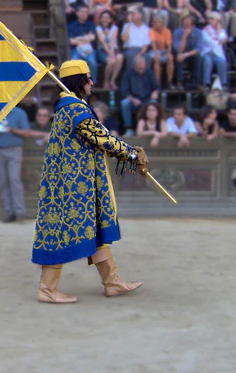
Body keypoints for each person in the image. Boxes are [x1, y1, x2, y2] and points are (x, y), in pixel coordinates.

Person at [32, 59, 146, 304]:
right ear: (79, 80)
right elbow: (101, 137)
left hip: (74, 181)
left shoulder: (69, 107)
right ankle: (47, 289)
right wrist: (132, 154)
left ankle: (112, 282)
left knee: (90, 227)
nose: (92, 82)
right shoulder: (75, 109)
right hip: (74, 184)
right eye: (88, 77)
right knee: (62, 230)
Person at [0, 106, 30, 223]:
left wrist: (12, 130)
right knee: (3, 182)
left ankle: (20, 212)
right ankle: (10, 212)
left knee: (14, 180)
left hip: (15, 149)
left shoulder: (20, 113)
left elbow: (26, 133)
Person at [120, 55, 160, 136]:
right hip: (133, 99)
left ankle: (155, 128)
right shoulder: (128, 74)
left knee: (154, 103)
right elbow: (124, 91)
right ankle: (129, 128)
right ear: (134, 66)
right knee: (125, 103)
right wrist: (133, 99)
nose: (141, 71)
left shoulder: (150, 73)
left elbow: (157, 87)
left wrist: (155, 92)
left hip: (147, 99)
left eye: (142, 68)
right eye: (139, 69)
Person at [67, 4, 97, 82]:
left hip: (89, 50)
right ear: (77, 13)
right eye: (82, 12)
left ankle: (92, 82)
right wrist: (86, 38)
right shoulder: (72, 26)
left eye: (86, 12)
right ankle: (75, 83)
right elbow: (71, 41)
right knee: (74, 61)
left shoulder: (91, 24)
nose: (84, 14)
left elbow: (93, 37)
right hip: (76, 50)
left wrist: (79, 39)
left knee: (92, 62)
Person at [173, 14, 203, 90]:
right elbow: (179, 50)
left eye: (187, 25)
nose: (184, 27)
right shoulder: (177, 32)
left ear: (193, 26)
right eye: (184, 25)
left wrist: (185, 55)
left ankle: (196, 82)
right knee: (179, 56)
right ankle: (179, 81)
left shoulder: (198, 32)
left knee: (198, 57)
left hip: (191, 54)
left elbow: (198, 48)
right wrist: (184, 36)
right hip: (181, 53)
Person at [96, 10, 123, 89]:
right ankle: (106, 81)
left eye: (107, 18)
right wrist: (110, 53)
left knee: (120, 57)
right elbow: (103, 42)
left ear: (111, 19)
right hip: (103, 49)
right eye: (103, 18)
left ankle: (112, 80)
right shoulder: (98, 28)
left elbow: (113, 41)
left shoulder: (114, 28)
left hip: (113, 48)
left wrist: (112, 52)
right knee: (112, 61)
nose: (105, 20)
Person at [201, 11, 228, 89]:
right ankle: (206, 83)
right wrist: (219, 42)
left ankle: (223, 83)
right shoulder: (205, 30)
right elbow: (209, 42)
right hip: (207, 52)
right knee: (208, 61)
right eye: (210, 19)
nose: (210, 20)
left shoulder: (222, 30)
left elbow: (222, 37)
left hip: (217, 53)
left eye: (213, 19)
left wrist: (219, 30)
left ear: (217, 21)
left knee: (222, 61)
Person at [149, 14, 174, 87]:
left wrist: (169, 53)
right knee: (157, 58)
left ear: (161, 23)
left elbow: (169, 45)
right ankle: (158, 83)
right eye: (153, 22)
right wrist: (156, 53)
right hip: (154, 50)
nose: (153, 24)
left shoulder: (167, 31)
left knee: (170, 58)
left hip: (164, 51)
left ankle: (169, 82)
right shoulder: (151, 30)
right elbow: (153, 43)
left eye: (155, 22)